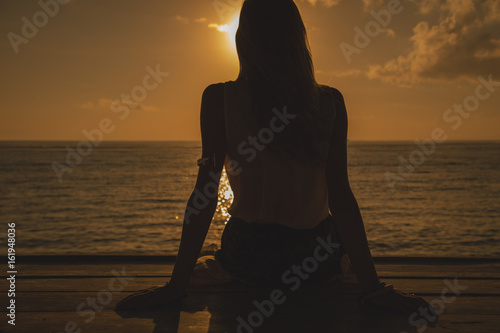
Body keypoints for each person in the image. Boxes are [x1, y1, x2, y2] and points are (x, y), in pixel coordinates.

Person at [116, 0, 435, 316]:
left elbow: (205, 193)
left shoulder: (219, 99)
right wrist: (373, 287)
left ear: (243, 40)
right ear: (298, 38)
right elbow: (341, 198)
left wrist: (175, 285)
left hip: (249, 258)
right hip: (313, 260)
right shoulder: (329, 103)